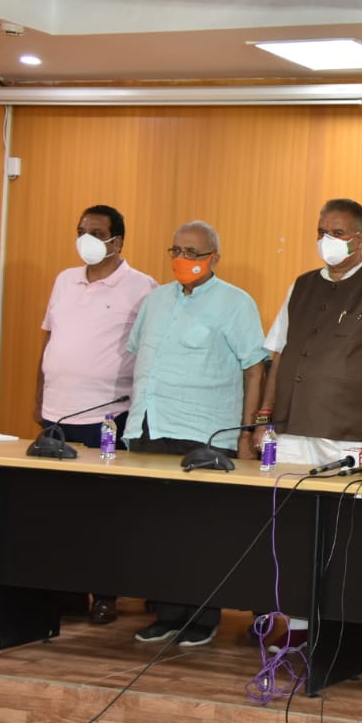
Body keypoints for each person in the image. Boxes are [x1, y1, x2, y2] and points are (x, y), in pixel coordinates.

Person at [256, 198, 362, 653]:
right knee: (295, 533)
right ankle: (299, 621)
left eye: (338, 232)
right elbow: (278, 355)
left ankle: (351, 630)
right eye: (322, 231)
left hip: (348, 436)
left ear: (361, 239)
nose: (327, 240)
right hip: (292, 432)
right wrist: (263, 419)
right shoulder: (301, 286)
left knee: (348, 537)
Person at [126, 221, 267, 648]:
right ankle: (168, 615)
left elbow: (254, 368)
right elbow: (139, 356)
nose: (182, 259)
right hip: (151, 427)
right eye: (177, 250)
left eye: (192, 252)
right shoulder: (155, 301)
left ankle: (203, 619)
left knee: (201, 532)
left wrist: (247, 433)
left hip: (205, 434)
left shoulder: (236, 303)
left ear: (213, 258)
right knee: (158, 530)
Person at [38, 204, 157, 625]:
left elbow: (150, 351)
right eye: (80, 230)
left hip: (107, 415)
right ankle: (68, 593)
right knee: (59, 511)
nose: (85, 239)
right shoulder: (64, 280)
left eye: (95, 232)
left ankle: (106, 594)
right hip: (56, 413)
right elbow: (50, 340)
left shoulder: (142, 287)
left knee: (105, 512)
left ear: (117, 241)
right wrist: (39, 395)